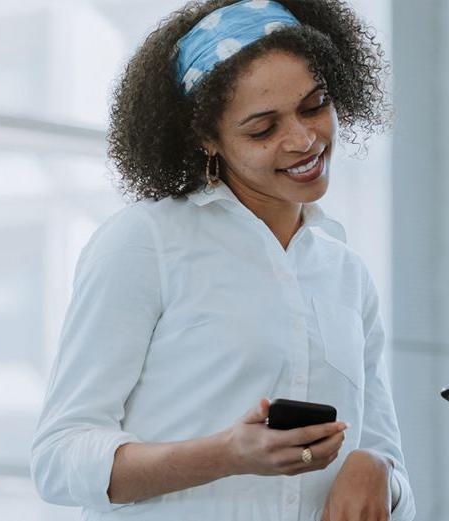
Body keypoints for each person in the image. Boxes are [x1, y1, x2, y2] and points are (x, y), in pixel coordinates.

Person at [30, 1, 415, 519]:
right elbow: (59, 459)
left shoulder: (345, 273)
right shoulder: (147, 241)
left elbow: (389, 464)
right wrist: (227, 454)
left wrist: (377, 471)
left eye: (314, 105)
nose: (303, 140)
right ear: (208, 140)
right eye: (262, 129)